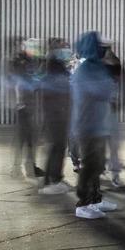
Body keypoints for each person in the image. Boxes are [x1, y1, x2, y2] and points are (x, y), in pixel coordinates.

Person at [71, 32, 118, 219]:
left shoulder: (96, 67)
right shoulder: (85, 70)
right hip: (87, 126)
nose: (105, 50)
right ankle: (83, 203)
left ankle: (96, 199)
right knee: (89, 165)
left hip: (98, 124)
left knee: (97, 164)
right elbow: (104, 90)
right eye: (101, 46)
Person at [38, 39, 73, 195]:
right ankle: (53, 180)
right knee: (57, 146)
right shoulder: (54, 66)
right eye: (63, 47)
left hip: (56, 112)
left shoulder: (53, 65)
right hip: (57, 113)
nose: (66, 50)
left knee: (56, 146)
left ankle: (52, 179)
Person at [9, 38, 45, 179]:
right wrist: (20, 102)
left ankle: (31, 167)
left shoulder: (32, 61)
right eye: (33, 47)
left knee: (31, 138)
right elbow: (17, 82)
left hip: (31, 103)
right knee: (21, 138)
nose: (35, 50)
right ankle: (16, 168)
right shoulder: (19, 62)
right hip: (23, 105)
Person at [101, 41, 125, 189]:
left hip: (110, 110)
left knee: (113, 144)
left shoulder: (114, 63)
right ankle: (107, 172)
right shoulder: (97, 66)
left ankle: (114, 174)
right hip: (102, 110)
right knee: (105, 144)